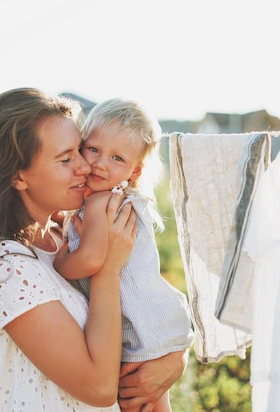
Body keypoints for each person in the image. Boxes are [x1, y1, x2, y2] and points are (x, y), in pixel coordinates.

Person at [0, 88, 186, 412]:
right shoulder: (6, 268)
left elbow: (135, 301)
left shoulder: (61, 237)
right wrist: (107, 270)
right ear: (18, 176)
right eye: (67, 158)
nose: (86, 166)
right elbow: (99, 388)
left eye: (79, 150)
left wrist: (171, 359)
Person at [54, 98, 193, 412]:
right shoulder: (120, 199)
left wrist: (61, 262)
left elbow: (89, 260)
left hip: (139, 331)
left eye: (117, 158)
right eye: (94, 150)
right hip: (157, 321)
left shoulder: (101, 203)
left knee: (135, 404)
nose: (101, 164)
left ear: (135, 170)